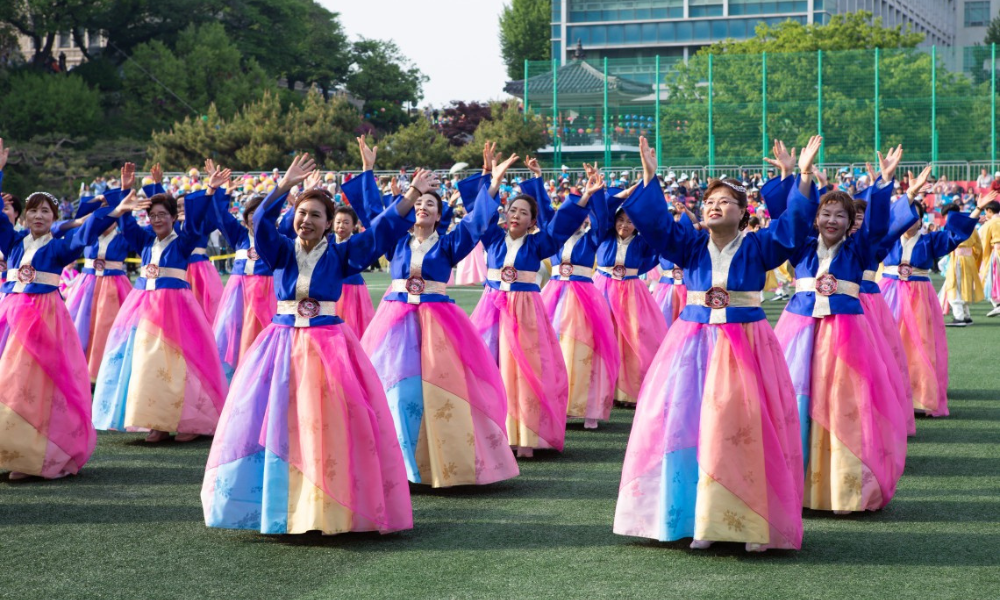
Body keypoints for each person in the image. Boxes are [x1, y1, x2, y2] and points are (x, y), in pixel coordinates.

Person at [614, 136, 821, 552]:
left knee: (742, 428)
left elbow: (794, 228)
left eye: (726, 201)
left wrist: (800, 176)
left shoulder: (760, 246)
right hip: (692, 346)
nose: (714, 206)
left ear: (744, 214)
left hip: (745, 345)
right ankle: (700, 518)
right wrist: (651, 178)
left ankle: (751, 522)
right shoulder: (689, 246)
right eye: (710, 201)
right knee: (687, 425)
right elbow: (656, 227)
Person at [202, 153, 413, 535]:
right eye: (302, 213)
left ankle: (325, 509)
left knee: (325, 426)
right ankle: (286, 508)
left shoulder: (342, 253)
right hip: (281, 346)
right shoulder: (279, 250)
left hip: (329, 346)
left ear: (330, 224)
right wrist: (284, 185)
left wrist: (412, 195)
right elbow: (262, 221)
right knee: (282, 423)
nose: (307, 221)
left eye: (316, 215)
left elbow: (382, 232)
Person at [361, 142, 520, 487]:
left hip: (438, 327)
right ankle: (401, 467)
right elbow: (376, 218)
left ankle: (444, 465)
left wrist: (491, 183)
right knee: (398, 393)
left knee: (440, 393)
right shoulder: (396, 243)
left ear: (438, 215)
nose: (421, 207)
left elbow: (477, 222)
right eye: (417, 203)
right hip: (395, 325)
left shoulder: (449, 244)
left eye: (429, 204)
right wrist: (367, 172)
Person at [774, 145, 908, 514]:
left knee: (845, 406)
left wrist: (884, 182)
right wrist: (797, 176)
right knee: (797, 403)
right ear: (815, 218)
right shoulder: (798, 248)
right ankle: (794, 486)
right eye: (825, 213)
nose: (832, 220)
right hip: (799, 332)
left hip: (846, 335)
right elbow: (787, 219)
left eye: (840, 215)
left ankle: (844, 489)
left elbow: (880, 225)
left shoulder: (862, 250)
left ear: (851, 222)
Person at [90, 162, 228, 443]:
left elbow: (196, 222)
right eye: (152, 215)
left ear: (173, 218)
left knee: (182, 363)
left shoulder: (183, 241)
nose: (157, 220)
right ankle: (158, 422)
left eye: (163, 215)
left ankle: (192, 421)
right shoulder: (144, 241)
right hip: (144, 307)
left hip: (176, 309)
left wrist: (210, 189)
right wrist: (126, 188)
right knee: (148, 364)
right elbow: (127, 223)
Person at [470, 151, 590, 458]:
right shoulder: (493, 239)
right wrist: (491, 179)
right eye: (512, 210)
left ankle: (524, 436)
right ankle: (491, 434)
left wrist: (584, 197)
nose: (516, 215)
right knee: (489, 366)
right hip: (492, 308)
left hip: (524, 312)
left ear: (532, 221)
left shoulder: (538, 244)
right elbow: (477, 215)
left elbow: (559, 228)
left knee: (524, 372)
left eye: (523, 212)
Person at [0, 138, 96, 480]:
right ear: (25, 215)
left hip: (43, 319)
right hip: (9, 317)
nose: (38, 215)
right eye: (33, 210)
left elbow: (86, 234)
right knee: (5, 382)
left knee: (32, 384)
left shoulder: (58, 248)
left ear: (54, 218)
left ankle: (29, 455)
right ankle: (6, 449)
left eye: (45, 211)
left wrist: (113, 203)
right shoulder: (12, 241)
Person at [879, 188, 984, 418]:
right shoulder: (887, 239)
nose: (909, 222)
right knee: (886, 343)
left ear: (921, 220)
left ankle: (920, 398)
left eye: (914, 217)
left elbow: (955, 235)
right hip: (889, 293)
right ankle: (887, 395)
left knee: (920, 346)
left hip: (918, 296)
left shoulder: (931, 240)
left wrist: (976, 210)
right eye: (904, 216)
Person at [540, 163, 620, 430]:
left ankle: (586, 406)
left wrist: (596, 192)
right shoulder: (553, 237)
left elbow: (602, 221)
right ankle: (556, 403)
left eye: (581, 216)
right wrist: (539, 179)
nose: (576, 220)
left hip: (582, 297)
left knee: (583, 349)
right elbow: (543, 215)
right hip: (553, 294)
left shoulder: (592, 237)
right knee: (553, 348)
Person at [591, 165, 666, 408]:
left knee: (633, 338)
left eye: (630, 221)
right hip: (602, 288)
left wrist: (647, 187)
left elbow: (657, 228)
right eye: (621, 220)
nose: (624, 224)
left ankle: (628, 392)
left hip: (632, 291)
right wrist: (622, 196)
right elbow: (601, 212)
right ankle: (603, 390)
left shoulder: (643, 243)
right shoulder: (603, 234)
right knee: (603, 336)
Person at [209, 165, 276, 382]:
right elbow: (220, 216)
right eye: (251, 215)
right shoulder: (239, 236)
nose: (254, 220)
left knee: (261, 333)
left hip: (266, 293)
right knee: (234, 334)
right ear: (245, 217)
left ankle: (262, 373)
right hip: (238, 294)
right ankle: (235, 377)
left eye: (261, 215)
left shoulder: (276, 238)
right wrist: (220, 191)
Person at [64, 187, 134, 383]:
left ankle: (105, 371)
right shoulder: (89, 235)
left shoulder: (122, 237)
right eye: (101, 212)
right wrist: (101, 198)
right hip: (87, 285)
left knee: (107, 327)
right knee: (81, 326)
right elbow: (83, 212)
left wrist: (122, 199)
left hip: (114, 286)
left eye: (109, 211)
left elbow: (132, 227)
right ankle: (77, 370)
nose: (105, 217)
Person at [939, 202, 986, 326]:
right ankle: (966, 316)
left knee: (953, 287)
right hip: (969, 258)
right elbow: (978, 247)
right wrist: (972, 258)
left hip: (958, 259)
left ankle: (959, 317)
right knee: (964, 287)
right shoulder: (972, 226)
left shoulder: (951, 225)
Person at [979, 195, 1000, 317]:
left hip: (996, 254)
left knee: (991, 280)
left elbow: (986, 242)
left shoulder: (991, 224)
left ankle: (997, 305)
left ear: (989, 211)